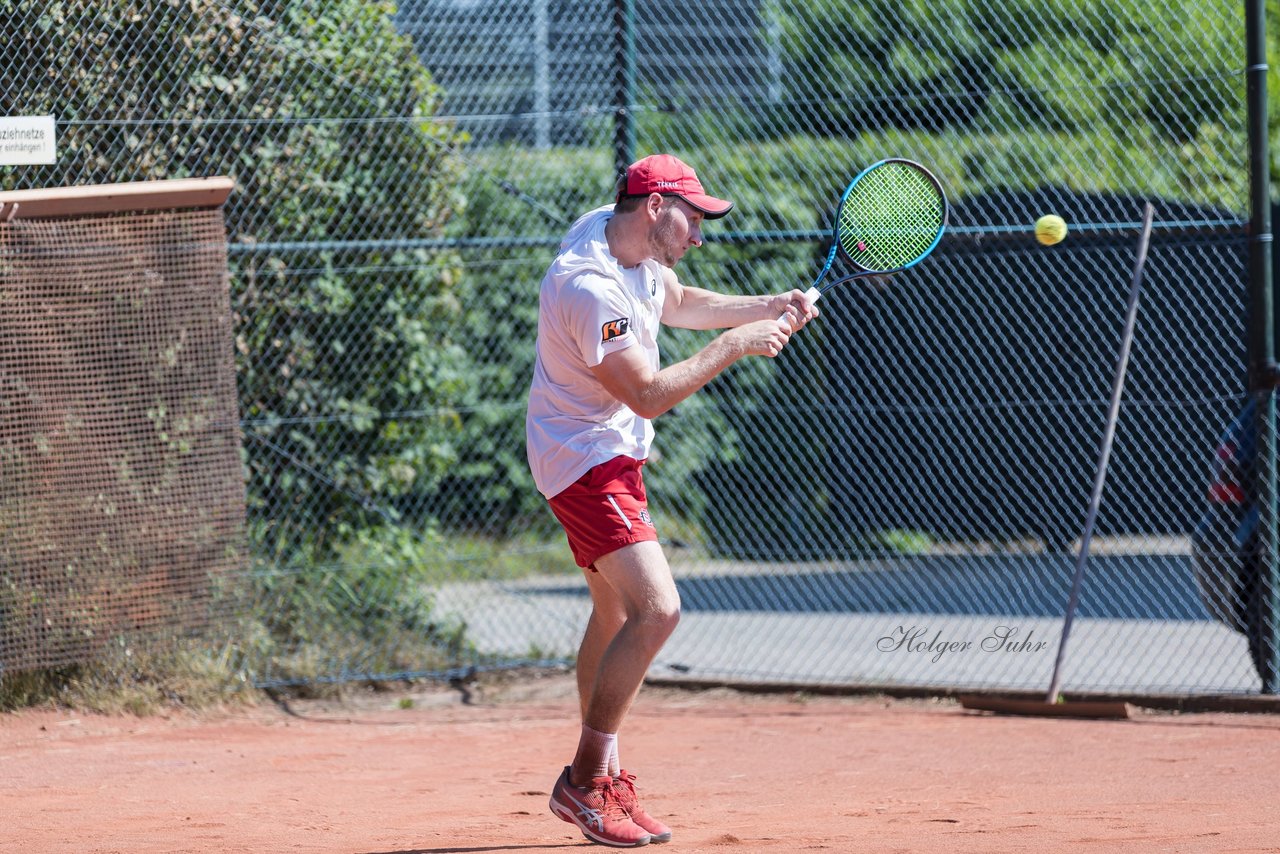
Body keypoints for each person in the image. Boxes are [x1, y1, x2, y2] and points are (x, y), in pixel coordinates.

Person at [526, 153, 818, 847]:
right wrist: (735, 346)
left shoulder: (612, 230)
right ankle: (585, 782)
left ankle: (607, 782)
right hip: (584, 459)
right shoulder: (589, 286)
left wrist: (767, 305)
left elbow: (677, 300)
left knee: (613, 611)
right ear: (655, 206)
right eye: (693, 218)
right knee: (659, 610)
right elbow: (649, 393)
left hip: (603, 450)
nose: (699, 233)